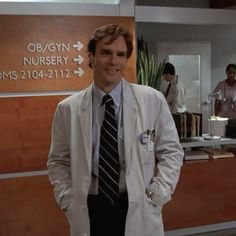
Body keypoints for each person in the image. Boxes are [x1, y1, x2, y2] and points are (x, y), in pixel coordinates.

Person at [47, 23, 183, 236]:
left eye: (120, 54)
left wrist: (161, 189)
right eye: (106, 53)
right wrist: (67, 199)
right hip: (90, 209)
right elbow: (58, 161)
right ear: (91, 56)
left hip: (138, 206)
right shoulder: (68, 109)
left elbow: (172, 152)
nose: (113, 61)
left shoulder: (151, 100)